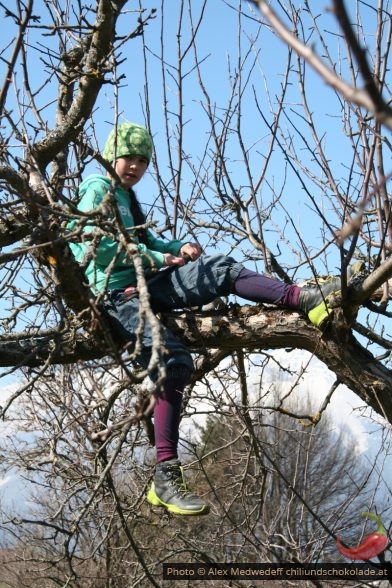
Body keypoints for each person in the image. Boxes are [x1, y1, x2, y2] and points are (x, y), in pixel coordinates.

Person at [68, 122, 361, 516]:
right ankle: (165, 474)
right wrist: (158, 259)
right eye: (129, 157)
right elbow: (94, 243)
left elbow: (150, 241)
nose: (135, 166)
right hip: (116, 296)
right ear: (110, 155)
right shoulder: (97, 190)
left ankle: (301, 299)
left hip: (147, 283)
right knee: (174, 362)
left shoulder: (128, 197)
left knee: (218, 267)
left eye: (143, 160)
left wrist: (177, 247)